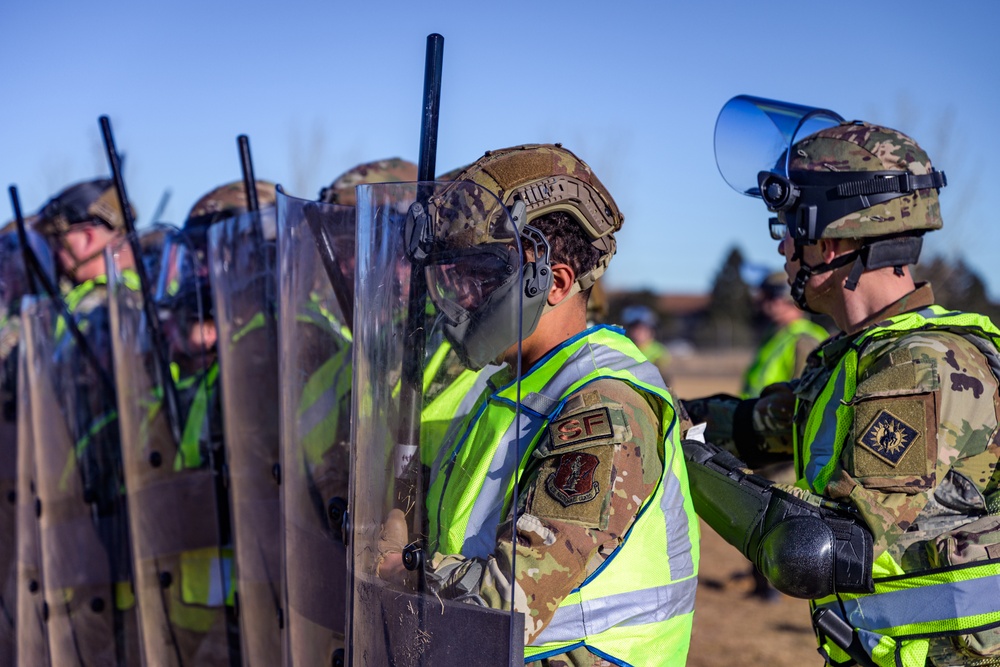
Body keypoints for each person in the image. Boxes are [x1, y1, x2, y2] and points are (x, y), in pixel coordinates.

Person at [684, 96, 1000, 667]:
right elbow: (753, 427)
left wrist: (684, 458)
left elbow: (820, 550)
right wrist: (652, 407)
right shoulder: (854, 362)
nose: (781, 248)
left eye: (787, 229)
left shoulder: (917, 367)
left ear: (828, 244)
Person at [368, 144, 699, 666]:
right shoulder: (510, 386)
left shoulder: (602, 407)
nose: (460, 299)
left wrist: (397, 569)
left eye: (479, 276)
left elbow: (507, 594)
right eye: (453, 277)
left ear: (555, 282)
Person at [33, 178, 142, 665]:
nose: (56, 253)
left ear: (99, 233)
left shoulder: (120, 307)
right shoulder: (76, 305)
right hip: (75, 506)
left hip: (116, 505)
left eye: (64, 238)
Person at [742, 271, 828, 400]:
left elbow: (803, 401)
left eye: (768, 296)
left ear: (784, 297)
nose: (762, 302)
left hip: (777, 416)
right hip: (759, 416)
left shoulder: (805, 340)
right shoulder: (775, 335)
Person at [622, 304, 672, 385]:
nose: (638, 333)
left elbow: (663, 376)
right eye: (634, 329)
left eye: (642, 329)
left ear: (652, 331)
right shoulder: (626, 349)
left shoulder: (660, 352)